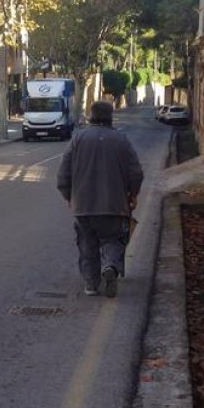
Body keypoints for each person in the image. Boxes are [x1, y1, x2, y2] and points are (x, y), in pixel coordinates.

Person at [57, 101, 144, 297]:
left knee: (87, 243)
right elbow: (136, 173)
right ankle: (111, 267)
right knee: (113, 239)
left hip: (83, 206)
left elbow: (63, 174)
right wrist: (133, 195)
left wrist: (68, 195)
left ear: (90, 116)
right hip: (115, 205)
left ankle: (90, 284)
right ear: (110, 116)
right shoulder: (121, 140)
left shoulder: (77, 139)